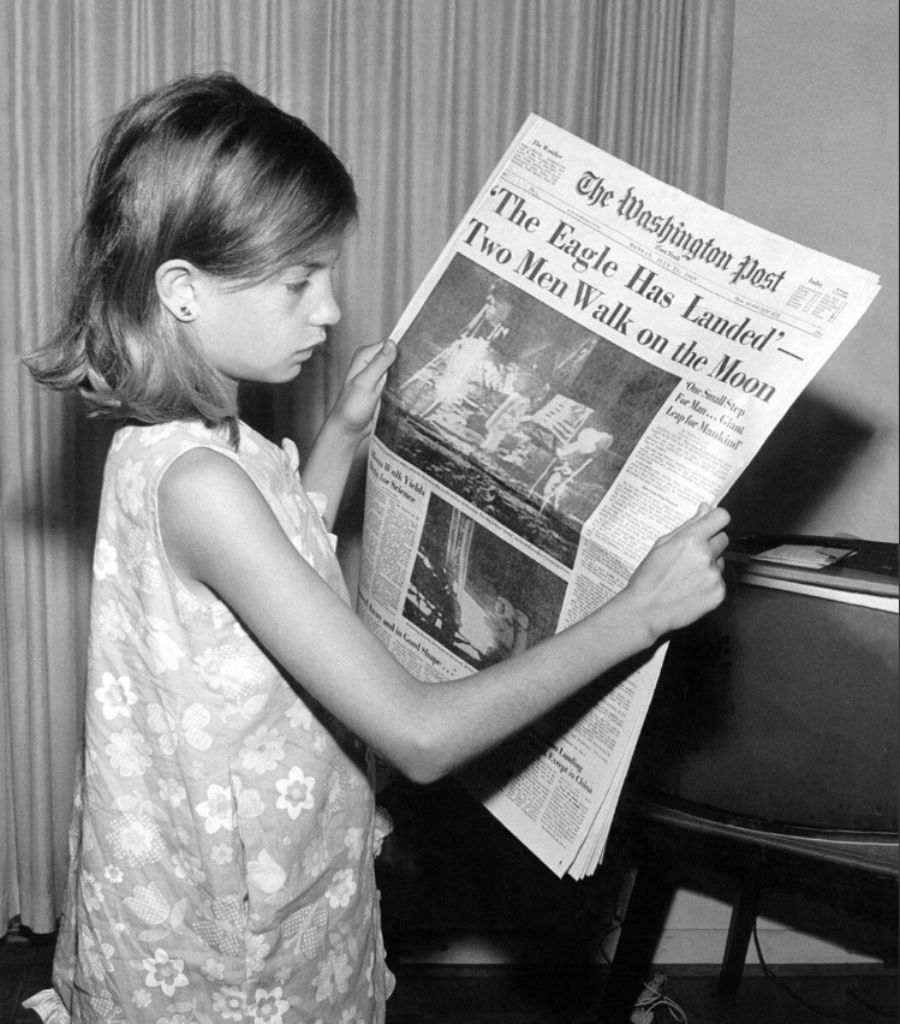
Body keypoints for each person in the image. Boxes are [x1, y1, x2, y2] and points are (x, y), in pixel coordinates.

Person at [22, 73, 729, 1024]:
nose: (328, 309)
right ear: (182, 291)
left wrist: (345, 438)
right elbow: (421, 737)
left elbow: (278, 563)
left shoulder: (189, 450)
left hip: (273, 876)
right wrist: (636, 613)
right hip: (233, 945)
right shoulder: (200, 485)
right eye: (299, 279)